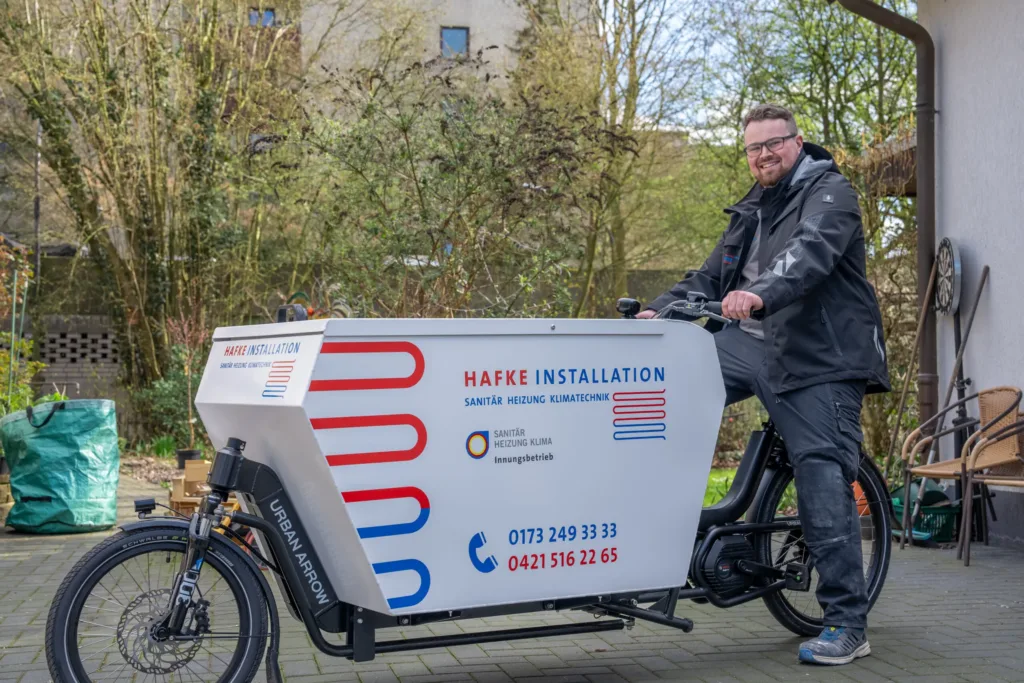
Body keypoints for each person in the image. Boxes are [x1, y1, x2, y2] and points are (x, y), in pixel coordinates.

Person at [638, 103, 890, 666]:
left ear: (797, 143)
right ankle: (650, 549)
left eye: (774, 143)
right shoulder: (750, 208)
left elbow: (809, 255)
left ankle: (847, 621)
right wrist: (659, 312)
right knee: (656, 405)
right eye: (754, 148)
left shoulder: (831, 193)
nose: (764, 155)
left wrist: (761, 293)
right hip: (748, 342)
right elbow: (708, 276)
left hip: (818, 355)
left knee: (821, 470)